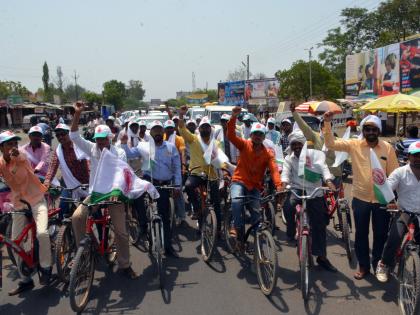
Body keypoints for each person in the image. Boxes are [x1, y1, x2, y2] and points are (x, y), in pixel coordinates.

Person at [323, 112, 399, 279]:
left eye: (374, 129)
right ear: (363, 130)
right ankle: (364, 266)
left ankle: (378, 265)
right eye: (367, 129)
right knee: (361, 234)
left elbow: (394, 174)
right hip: (360, 198)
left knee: (380, 234)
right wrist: (327, 123)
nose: (371, 132)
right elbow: (330, 144)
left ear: (379, 131)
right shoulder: (354, 145)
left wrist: (394, 198)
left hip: (382, 200)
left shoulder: (387, 148)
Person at [69, 102, 137, 278]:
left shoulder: (119, 153)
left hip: (115, 194)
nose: (100, 143)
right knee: (77, 217)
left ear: (110, 138)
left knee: (121, 232)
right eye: (98, 140)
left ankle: (125, 264)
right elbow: (74, 136)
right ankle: (83, 253)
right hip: (95, 194)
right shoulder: (92, 149)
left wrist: (116, 195)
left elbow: (122, 176)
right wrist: (77, 114)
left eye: (103, 140)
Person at [0, 131, 52, 295]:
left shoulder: (21, 156)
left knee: (42, 233)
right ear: (1, 147)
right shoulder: (1, 163)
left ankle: (45, 267)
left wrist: (15, 155)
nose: (13, 147)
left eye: (15, 143)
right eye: (9, 144)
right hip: (19, 204)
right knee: (14, 242)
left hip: (36, 199)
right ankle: (25, 279)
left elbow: (20, 163)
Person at [120, 120, 182, 257]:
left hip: (164, 184)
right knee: (137, 196)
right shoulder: (143, 146)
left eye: (160, 130)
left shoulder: (171, 147)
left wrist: (177, 185)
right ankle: (142, 224)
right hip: (148, 181)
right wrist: (124, 143)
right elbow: (129, 154)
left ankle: (168, 246)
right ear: (151, 132)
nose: (157, 133)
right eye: (154, 131)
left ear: (163, 132)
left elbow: (177, 168)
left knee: (165, 216)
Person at [281, 130, 337, 271]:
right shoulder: (289, 158)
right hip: (297, 189)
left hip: (314, 191)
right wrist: (283, 186)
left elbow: (324, 169)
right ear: (291, 146)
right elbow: (285, 174)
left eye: (299, 144)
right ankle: (290, 231)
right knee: (288, 206)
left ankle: (322, 258)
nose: (297, 147)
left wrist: (328, 181)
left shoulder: (314, 155)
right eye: (294, 144)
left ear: (304, 144)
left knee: (320, 225)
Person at [227, 106, 282, 238]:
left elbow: (274, 169)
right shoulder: (244, 145)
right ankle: (236, 225)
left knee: (256, 214)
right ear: (250, 135)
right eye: (255, 134)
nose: (257, 137)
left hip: (255, 186)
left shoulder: (268, 153)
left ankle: (257, 240)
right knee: (236, 202)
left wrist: (279, 185)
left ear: (264, 137)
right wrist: (233, 117)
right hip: (239, 181)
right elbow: (231, 135)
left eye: (260, 134)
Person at [375, 141, 420, 282]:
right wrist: (389, 201)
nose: (418, 158)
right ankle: (384, 264)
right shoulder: (400, 172)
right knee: (395, 236)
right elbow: (387, 188)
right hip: (404, 211)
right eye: (415, 155)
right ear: (408, 156)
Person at [178, 107, 222, 228]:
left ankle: (218, 229)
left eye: (207, 127)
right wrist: (181, 116)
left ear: (210, 129)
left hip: (211, 176)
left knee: (217, 203)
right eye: (203, 127)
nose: (205, 129)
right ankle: (196, 210)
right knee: (188, 186)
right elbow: (182, 129)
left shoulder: (216, 143)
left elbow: (220, 160)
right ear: (199, 129)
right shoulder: (193, 139)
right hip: (196, 174)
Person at [290, 104, 342, 188]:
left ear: (331, 127)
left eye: (327, 125)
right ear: (320, 126)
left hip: (335, 174)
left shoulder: (337, 140)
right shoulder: (315, 136)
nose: (325, 127)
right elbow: (304, 127)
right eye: (323, 125)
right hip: (319, 175)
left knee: (334, 199)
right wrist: (294, 113)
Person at [44, 123, 90, 218]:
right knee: (62, 207)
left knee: (93, 212)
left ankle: (102, 232)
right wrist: (47, 182)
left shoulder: (79, 146)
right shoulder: (58, 151)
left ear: (69, 133)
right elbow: (52, 166)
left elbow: (89, 163)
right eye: (58, 135)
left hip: (86, 183)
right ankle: (66, 230)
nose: (60, 137)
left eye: (63, 134)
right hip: (69, 184)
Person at [163, 119, 187, 226]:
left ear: (174, 129)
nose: (169, 130)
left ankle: (181, 216)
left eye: (171, 128)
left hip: (175, 169)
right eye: (167, 128)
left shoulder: (179, 139)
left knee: (178, 193)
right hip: (164, 170)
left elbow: (182, 153)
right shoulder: (161, 138)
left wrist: (183, 166)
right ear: (164, 129)